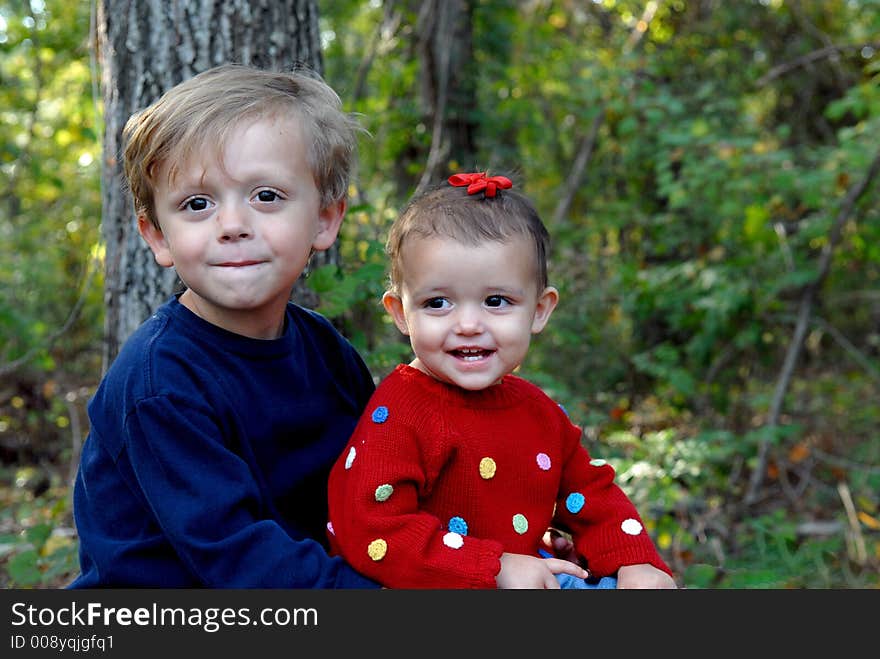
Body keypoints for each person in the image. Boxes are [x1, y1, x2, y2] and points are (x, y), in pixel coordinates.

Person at [69, 63, 383, 588]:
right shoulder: (161, 384)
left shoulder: (328, 353)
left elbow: (382, 489)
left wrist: (487, 548)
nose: (233, 225)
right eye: (197, 204)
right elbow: (244, 563)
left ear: (326, 218)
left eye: (266, 196)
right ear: (158, 236)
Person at [327, 172, 677, 589]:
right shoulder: (400, 410)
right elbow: (371, 529)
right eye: (437, 303)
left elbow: (591, 495)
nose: (469, 324)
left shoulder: (539, 413)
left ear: (540, 309)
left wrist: (634, 561)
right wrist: (491, 568)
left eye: (497, 301)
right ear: (402, 313)